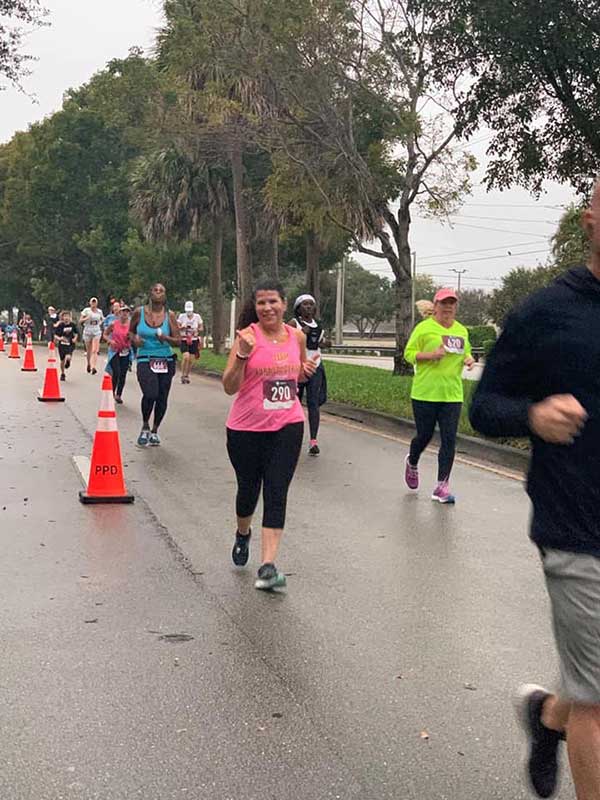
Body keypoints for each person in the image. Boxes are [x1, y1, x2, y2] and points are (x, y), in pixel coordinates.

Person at [469, 180, 600, 800]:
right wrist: (533, 416)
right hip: (577, 523)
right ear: (590, 220)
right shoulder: (546, 311)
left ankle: (547, 717)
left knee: (591, 683)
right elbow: (484, 405)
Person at [222, 280, 317, 591]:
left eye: (273, 302)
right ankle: (242, 533)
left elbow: (297, 373)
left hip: (288, 425)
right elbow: (229, 386)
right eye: (261, 303)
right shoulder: (246, 338)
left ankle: (267, 566)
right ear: (256, 306)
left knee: (277, 491)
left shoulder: (297, 337)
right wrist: (242, 356)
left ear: (284, 304)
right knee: (249, 490)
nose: (267, 308)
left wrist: (304, 372)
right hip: (245, 429)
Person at [403, 288, 475, 503]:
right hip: (425, 392)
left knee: (449, 439)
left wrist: (468, 359)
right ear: (435, 306)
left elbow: (466, 351)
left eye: (452, 303)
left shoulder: (461, 330)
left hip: (452, 394)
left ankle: (441, 486)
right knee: (424, 436)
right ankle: (412, 460)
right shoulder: (424, 329)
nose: (448, 307)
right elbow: (408, 354)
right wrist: (430, 355)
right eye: (444, 303)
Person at [130, 283, 180, 446]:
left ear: (165, 296)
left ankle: (155, 430)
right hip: (145, 358)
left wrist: (165, 338)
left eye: (161, 291)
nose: (158, 293)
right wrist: (135, 340)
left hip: (165, 359)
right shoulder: (139, 312)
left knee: (162, 397)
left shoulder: (170, 315)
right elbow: (131, 332)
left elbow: (178, 341)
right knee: (150, 393)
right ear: (150, 293)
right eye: (155, 290)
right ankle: (145, 425)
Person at [290, 294, 328, 456]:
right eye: (305, 304)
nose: (309, 307)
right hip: (297, 367)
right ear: (298, 308)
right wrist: (298, 334)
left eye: (311, 304)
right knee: (295, 404)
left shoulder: (318, 325)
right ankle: (292, 439)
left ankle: (313, 441)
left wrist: (325, 343)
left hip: (315, 366)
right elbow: (283, 339)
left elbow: (321, 341)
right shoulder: (294, 323)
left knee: (313, 403)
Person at [103, 305, 132, 404]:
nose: (125, 314)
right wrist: (110, 341)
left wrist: (131, 337)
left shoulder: (131, 325)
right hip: (115, 351)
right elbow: (105, 334)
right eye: (123, 312)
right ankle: (111, 392)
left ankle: (119, 395)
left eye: (127, 312)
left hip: (125, 351)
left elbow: (136, 337)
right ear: (119, 313)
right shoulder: (113, 324)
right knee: (116, 372)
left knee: (123, 374)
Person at [177, 300, 204, 384]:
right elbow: (177, 326)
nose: (189, 313)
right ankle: (182, 374)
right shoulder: (182, 316)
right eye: (187, 311)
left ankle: (186, 375)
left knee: (191, 360)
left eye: (190, 311)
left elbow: (201, 328)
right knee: (186, 357)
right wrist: (182, 327)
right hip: (184, 339)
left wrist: (196, 330)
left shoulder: (197, 317)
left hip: (194, 340)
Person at [79, 297, 104, 375]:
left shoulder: (99, 311)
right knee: (89, 350)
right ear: (90, 303)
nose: (93, 304)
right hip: (87, 330)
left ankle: (94, 367)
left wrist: (100, 323)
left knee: (95, 350)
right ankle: (89, 364)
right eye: (92, 302)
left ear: (97, 303)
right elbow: (80, 321)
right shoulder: (86, 311)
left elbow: (102, 319)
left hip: (96, 330)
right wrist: (86, 318)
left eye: (95, 302)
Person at [53, 310, 79, 381]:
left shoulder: (72, 325)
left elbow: (76, 333)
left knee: (68, 356)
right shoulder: (60, 326)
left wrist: (75, 338)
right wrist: (60, 338)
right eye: (65, 316)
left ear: (70, 317)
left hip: (70, 344)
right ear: (62, 318)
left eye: (68, 316)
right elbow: (55, 335)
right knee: (62, 360)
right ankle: (63, 373)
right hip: (62, 345)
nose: (66, 318)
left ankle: (68, 362)